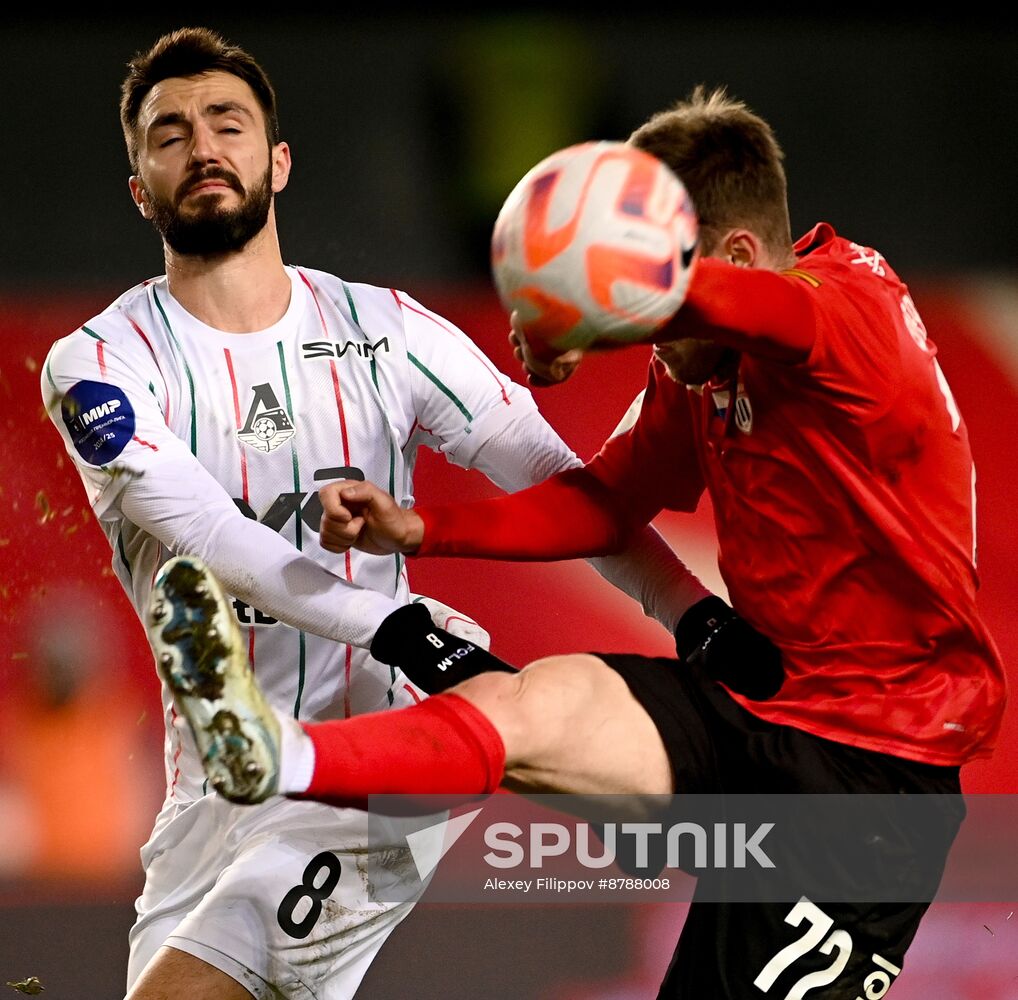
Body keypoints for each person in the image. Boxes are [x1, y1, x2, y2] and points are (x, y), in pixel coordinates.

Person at [167, 86, 1007, 997]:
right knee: (537, 701)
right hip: (758, 707)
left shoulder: (844, 314)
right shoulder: (699, 371)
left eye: (651, 273)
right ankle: (277, 752)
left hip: (873, 787)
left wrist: (586, 309)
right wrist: (424, 528)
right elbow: (606, 505)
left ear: (725, 258)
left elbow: (750, 309)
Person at [39, 28, 751, 1000]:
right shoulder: (98, 363)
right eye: (170, 134)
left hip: (392, 731)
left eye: (227, 123)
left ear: (277, 161)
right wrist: (401, 623)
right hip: (211, 792)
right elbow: (207, 533)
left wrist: (691, 614)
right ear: (139, 188)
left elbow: (558, 484)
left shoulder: (387, 333)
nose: (202, 146)